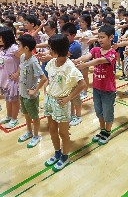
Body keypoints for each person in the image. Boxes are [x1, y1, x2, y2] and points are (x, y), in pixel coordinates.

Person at [43, 34, 85, 172]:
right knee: (52, 129)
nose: (49, 50)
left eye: (51, 48)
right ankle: (57, 153)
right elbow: (49, 79)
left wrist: (68, 98)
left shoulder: (69, 66)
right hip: (50, 99)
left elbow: (82, 84)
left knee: (63, 132)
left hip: (61, 101)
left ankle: (65, 156)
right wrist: (46, 93)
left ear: (58, 49)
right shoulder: (51, 62)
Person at [75, 25, 117, 145]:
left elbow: (99, 61)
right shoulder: (95, 50)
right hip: (96, 88)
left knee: (107, 112)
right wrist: (77, 61)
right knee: (99, 112)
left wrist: (85, 65)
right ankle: (102, 130)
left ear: (111, 37)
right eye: (98, 37)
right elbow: (87, 56)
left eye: (103, 37)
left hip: (108, 90)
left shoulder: (113, 53)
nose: (100, 40)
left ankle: (107, 132)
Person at [16, 34, 47, 148]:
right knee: (26, 114)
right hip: (22, 92)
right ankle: (29, 132)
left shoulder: (33, 61)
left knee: (34, 116)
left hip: (31, 95)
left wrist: (35, 91)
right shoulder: (23, 57)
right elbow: (21, 67)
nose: (18, 47)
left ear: (26, 48)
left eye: (19, 45)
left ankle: (36, 136)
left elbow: (44, 78)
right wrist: (16, 74)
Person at [0, 27, 21, 129]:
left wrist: (17, 73)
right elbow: (1, 61)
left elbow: (24, 60)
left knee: (14, 100)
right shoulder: (2, 48)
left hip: (12, 79)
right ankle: (9, 116)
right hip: (3, 78)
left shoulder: (14, 48)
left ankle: (14, 119)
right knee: (7, 99)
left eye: (0, 37)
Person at [61, 22, 83, 126]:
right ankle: (72, 114)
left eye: (66, 35)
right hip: (67, 75)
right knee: (69, 96)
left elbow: (63, 55)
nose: (64, 38)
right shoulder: (66, 44)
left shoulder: (75, 46)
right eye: (63, 35)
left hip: (75, 76)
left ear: (73, 35)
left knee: (76, 98)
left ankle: (78, 116)